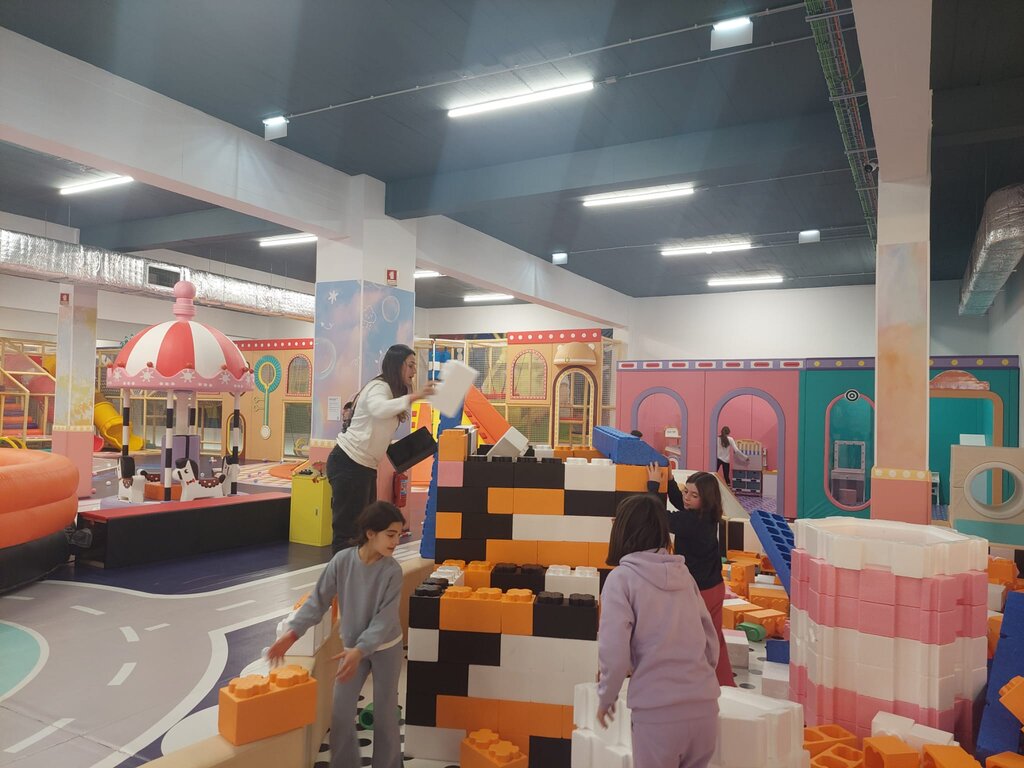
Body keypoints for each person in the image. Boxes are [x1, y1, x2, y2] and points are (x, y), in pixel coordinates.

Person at [268, 501, 405, 768]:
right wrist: (292, 634)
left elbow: (385, 619)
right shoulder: (342, 561)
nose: (396, 542)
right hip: (351, 650)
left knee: (385, 715)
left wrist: (360, 650)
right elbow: (318, 601)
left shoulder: (392, 571)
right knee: (340, 712)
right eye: (391, 534)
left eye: (399, 535)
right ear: (370, 533)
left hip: (386, 648)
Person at [597, 493, 721, 768]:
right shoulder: (684, 574)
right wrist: (698, 682)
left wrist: (607, 696)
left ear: (621, 531)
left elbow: (614, 652)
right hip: (705, 709)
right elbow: (710, 641)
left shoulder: (621, 579)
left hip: (658, 714)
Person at [327, 344, 434, 553]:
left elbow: (379, 430)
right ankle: (342, 571)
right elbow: (379, 409)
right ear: (397, 365)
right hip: (348, 462)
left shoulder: (391, 392)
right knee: (348, 532)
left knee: (366, 529)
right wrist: (415, 396)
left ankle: (361, 570)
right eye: (410, 365)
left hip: (365, 467)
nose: (414, 371)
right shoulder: (379, 387)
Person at [648, 466, 734, 686]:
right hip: (715, 587)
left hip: (700, 592)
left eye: (694, 495)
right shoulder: (707, 515)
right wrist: (669, 481)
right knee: (714, 638)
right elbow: (680, 503)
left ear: (706, 499)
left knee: (692, 640)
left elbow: (660, 517)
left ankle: (697, 685)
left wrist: (653, 486)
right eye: (686, 491)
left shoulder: (693, 523)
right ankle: (724, 683)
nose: (686, 497)